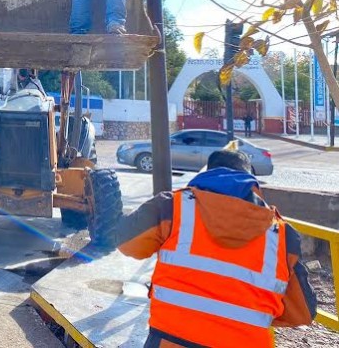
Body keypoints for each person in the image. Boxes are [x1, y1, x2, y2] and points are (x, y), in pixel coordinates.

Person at [117, 148, 316, 348]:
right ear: (251, 182)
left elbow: (126, 243)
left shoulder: (172, 207)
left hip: (170, 341)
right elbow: (303, 312)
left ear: (208, 173)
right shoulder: (283, 236)